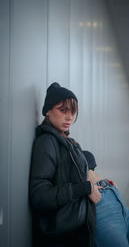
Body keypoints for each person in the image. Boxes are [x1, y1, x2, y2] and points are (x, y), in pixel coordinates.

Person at [29, 82, 101, 247]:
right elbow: (39, 195)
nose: (69, 117)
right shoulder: (47, 141)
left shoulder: (64, 141)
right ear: (47, 110)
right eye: (63, 110)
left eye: (73, 112)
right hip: (64, 232)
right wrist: (84, 188)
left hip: (78, 224)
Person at [83, 150, 129, 247]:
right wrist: (86, 188)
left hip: (114, 197)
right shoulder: (56, 150)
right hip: (100, 206)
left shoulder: (71, 146)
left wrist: (105, 183)